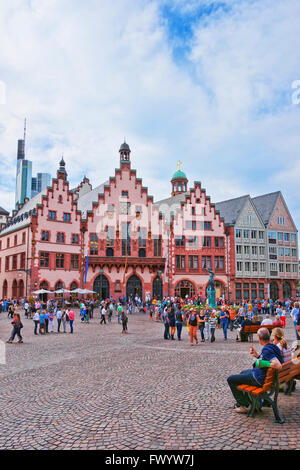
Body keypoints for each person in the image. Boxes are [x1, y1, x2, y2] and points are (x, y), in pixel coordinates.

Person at [227, 328, 283, 413]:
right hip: (265, 377)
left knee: (231, 379)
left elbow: (278, 365)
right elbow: (269, 361)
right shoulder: (273, 346)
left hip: (259, 379)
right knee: (243, 372)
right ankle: (254, 403)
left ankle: (244, 404)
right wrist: (257, 356)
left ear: (259, 338)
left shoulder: (266, 349)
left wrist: (262, 363)